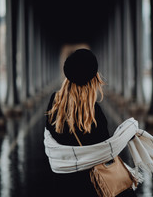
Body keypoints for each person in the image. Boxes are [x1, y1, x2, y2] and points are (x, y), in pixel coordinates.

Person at [45, 48, 137, 197]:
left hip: (62, 184)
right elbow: (105, 152)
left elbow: (51, 135)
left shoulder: (54, 103)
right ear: (94, 78)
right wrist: (126, 135)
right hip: (90, 187)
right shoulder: (94, 113)